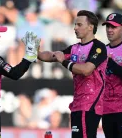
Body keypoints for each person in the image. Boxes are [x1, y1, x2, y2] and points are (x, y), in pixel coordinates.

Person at [38, 10, 107, 138]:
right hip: (77, 104)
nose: (75, 28)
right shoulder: (74, 48)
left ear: (90, 27)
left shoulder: (99, 47)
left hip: (91, 105)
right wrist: (36, 52)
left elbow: (86, 70)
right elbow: (52, 55)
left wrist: (64, 62)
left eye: (79, 25)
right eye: (75, 24)